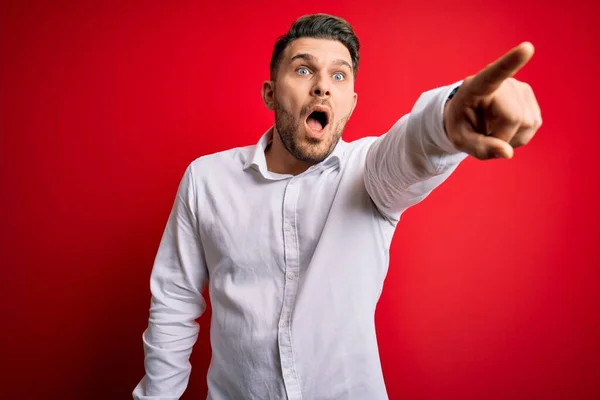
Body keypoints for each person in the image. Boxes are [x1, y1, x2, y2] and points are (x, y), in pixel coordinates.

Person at [132, 13, 542, 400]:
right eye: (304, 69)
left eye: (339, 75)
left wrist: (448, 118)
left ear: (350, 103)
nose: (322, 86)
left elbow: (411, 148)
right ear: (271, 94)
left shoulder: (369, 172)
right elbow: (174, 301)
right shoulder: (206, 180)